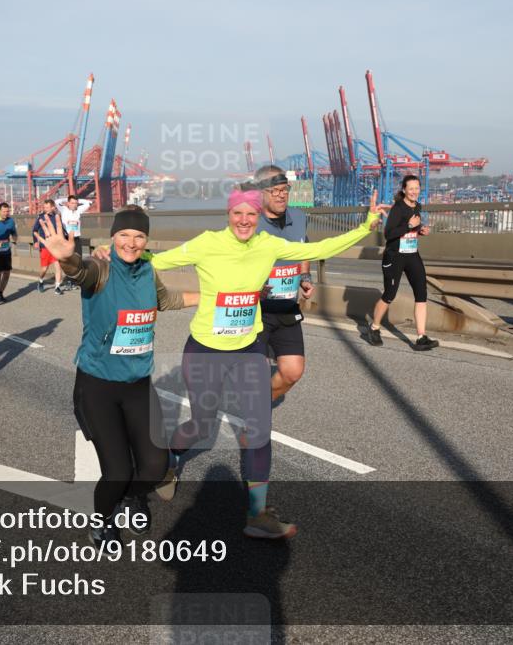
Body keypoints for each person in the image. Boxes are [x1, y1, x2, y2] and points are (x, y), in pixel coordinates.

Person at [145, 187, 384, 539]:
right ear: (228, 215)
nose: (244, 220)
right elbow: (155, 261)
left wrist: (365, 227)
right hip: (206, 349)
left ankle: (257, 514)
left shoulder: (268, 246)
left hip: (248, 349)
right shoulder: (207, 243)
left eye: (250, 214)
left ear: (258, 218)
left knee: (258, 431)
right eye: (237, 213)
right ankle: (170, 458)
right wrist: (117, 252)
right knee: (202, 425)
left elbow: (316, 249)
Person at [37, 206, 198, 544]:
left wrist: (213, 298)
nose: (131, 242)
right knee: (118, 471)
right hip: (98, 388)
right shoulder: (102, 269)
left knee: (154, 466)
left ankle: (134, 497)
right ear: (113, 236)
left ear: (146, 240)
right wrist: (68, 259)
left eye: (139, 236)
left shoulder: (148, 271)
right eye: (124, 234)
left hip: (138, 385)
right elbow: (80, 272)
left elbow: (165, 300)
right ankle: (102, 518)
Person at [252, 166, 315, 402]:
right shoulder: (249, 223)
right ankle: (255, 414)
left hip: (287, 306)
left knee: (292, 371)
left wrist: (305, 277)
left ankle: (259, 403)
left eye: (284, 189)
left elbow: (304, 247)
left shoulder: (298, 217)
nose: (281, 195)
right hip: (257, 310)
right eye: (274, 190)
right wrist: (252, 288)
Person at [367, 174, 440, 351]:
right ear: (404, 190)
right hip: (395, 256)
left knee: (421, 293)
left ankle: (421, 337)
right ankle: (374, 328)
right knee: (390, 294)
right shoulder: (398, 208)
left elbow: (412, 229)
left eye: (417, 188)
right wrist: (408, 225)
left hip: (412, 254)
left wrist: (420, 230)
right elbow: (389, 234)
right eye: (411, 188)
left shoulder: (418, 206)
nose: (414, 191)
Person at [32, 199, 64, 294]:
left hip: (56, 246)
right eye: (44, 207)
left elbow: (60, 230)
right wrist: (35, 241)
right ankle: (41, 280)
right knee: (44, 268)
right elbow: (34, 230)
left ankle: (57, 287)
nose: (45, 209)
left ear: (53, 207)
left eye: (47, 207)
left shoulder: (57, 217)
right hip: (45, 246)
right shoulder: (41, 217)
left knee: (58, 266)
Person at [0, 202, 18, 304]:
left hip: (6, 249)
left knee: (7, 272)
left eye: (8, 211)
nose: (6, 213)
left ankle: (0, 293)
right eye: (4, 211)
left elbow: (13, 233)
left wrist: (15, 238)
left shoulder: (10, 221)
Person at [55, 194, 93, 259]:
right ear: (68, 203)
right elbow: (56, 202)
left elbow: (89, 202)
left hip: (76, 238)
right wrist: (67, 199)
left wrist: (78, 200)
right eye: (72, 203)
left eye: (76, 203)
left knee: (79, 258)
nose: (74, 205)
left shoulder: (79, 210)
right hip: (66, 238)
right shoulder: (63, 209)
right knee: (67, 258)